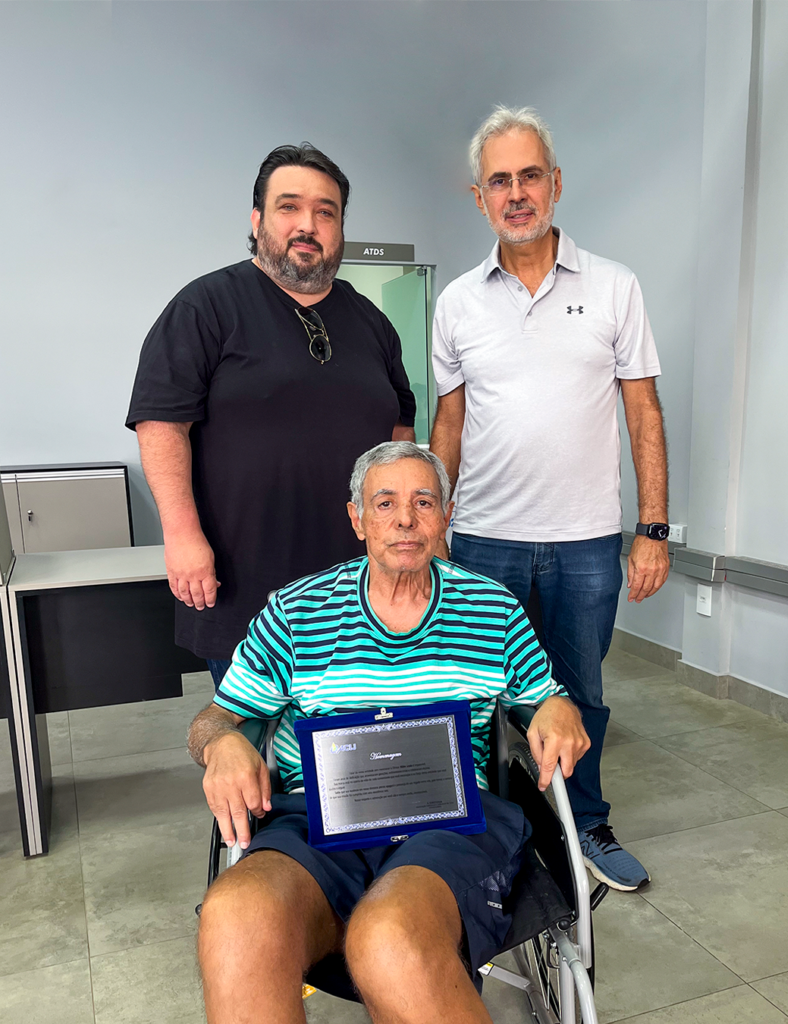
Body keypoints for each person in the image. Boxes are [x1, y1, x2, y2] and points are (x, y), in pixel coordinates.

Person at [188, 441, 589, 1024]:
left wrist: (556, 706)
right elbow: (215, 717)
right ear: (357, 519)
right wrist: (221, 742)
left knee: (389, 935)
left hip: (456, 822)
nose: (405, 519)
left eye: (424, 502)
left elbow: (544, 696)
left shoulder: (492, 610)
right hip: (318, 821)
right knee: (233, 918)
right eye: (385, 503)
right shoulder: (296, 612)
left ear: (446, 516)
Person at [429, 106, 669, 892]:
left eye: (529, 175)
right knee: (480, 695)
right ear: (479, 198)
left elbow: (643, 410)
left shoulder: (614, 287)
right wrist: (432, 525)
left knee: (578, 693)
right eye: (499, 180)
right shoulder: (457, 302)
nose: (516, 193)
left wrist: (652, 528)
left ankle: (584, 823)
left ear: (555, 183)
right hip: (483, 539)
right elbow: (449, 423)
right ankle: (492, 833)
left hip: (585, 541)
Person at [126, 144, 416, 687]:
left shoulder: (372, 323)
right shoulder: (205, 307)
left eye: (326, 212)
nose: (308, 224)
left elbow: (400, 435)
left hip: (360, 591)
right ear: (258, 219)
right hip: (246, 589)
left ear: (340, 228)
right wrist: (182, 537)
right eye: (289, 207)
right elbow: (161, 424)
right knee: (253, 739)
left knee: (360, 733)